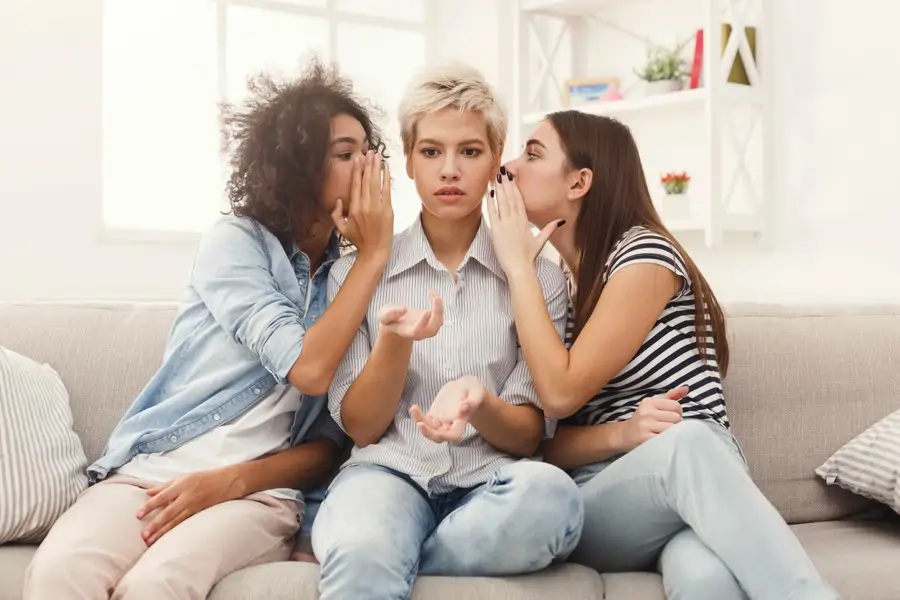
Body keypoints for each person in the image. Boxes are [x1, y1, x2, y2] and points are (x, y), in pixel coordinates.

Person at [23, 58, 395, 600]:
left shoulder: (363, 275)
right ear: (297, 166)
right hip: (151, 472)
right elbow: (307, 365)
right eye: (345, 153)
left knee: (156, 586)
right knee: (61, 575)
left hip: (258, 496)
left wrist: (231, 482)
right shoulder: (236, 243)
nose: (366, 165)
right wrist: (373, 256)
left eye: (369, 150)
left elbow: (331, 444)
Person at [484, 111, 841, 600]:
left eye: (532, 153)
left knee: (707, 581)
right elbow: (550, 427)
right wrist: (624, 434)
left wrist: (518, 267)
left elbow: (561, 393)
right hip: (608, 497)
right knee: (687, 445)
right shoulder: (549, 287)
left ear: (580, 182)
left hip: (703, 479)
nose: (509, 166)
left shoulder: (643, 254)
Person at [310, 63, 584, 600]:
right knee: (364, 545)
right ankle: (384, 548)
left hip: (492, 485)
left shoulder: (539, 277)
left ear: (495, 157)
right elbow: (362, 427)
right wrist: (395, 342)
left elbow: (529, 433)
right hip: (388, 476)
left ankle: (405, 555)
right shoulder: (357, 272)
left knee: (555, 500)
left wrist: (479, 401)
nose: (450, 170)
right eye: (431, 152)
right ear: (408, 160)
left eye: (471, 152)